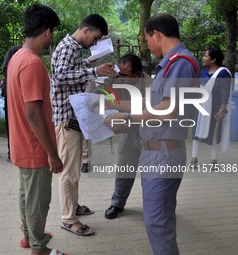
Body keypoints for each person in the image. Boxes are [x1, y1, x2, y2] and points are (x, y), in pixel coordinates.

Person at [105, 13, 199, 255]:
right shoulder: (170, 63)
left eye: (147, 39)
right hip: (156, 153)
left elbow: (167, 110)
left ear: (156, 34)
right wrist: (116, 106)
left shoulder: (181, 62)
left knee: (158, 223)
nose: (147, 45)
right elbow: (153, 101)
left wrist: (125, 118)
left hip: (164, 154)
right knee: (160, 220)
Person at [7, 4, 67, 255]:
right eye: (52, 32)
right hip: (34, 147)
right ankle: (38, 248)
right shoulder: (32, 64)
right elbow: (33, 114)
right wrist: (52, 153)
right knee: (38, 201)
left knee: (26, 195)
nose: (51, 38)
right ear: (46, 31)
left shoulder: (17, 57)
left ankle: (30, 235)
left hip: (21, 143)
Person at [51, 14, 117, 236]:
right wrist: (94, 71)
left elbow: (71, 72)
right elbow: (60, 77)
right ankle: (68, 218)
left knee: (74, 167)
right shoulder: (69, 47)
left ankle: (73, 205)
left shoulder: (74, 49)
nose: (96, 43)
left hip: (74, 116)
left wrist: (90, 64)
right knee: (68, 171)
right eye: (96, 38)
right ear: (87, 30)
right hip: (67, 118)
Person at [104, 53, 151, 219]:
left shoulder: (150, 86)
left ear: (137, 75)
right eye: (118, 73)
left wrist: (120, 125)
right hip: (129, 134)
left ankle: (154, 209)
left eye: (123, 75)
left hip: (148, 137)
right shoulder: (118, 82)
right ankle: (117, 204)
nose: (118, 78)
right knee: (123, 168)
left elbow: (146, 117)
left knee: (150, 176)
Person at [191, 47, 231, 169]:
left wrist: (222, 110)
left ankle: (214, 160)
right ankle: (194, 158)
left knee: (214, 133)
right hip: (201, 107)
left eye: (206, 56)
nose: (203, 58)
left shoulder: (223, 73)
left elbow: (225, 93)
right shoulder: (203, 72)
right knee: (196, 132)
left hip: (215, 107)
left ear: (213, 59)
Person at [1, 43, 23, 162]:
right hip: (11, 92)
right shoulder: (13, 50)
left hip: (24, 93)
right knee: (11, 122)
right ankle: (12, 152)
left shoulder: (34, 53)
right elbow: (5, 70)